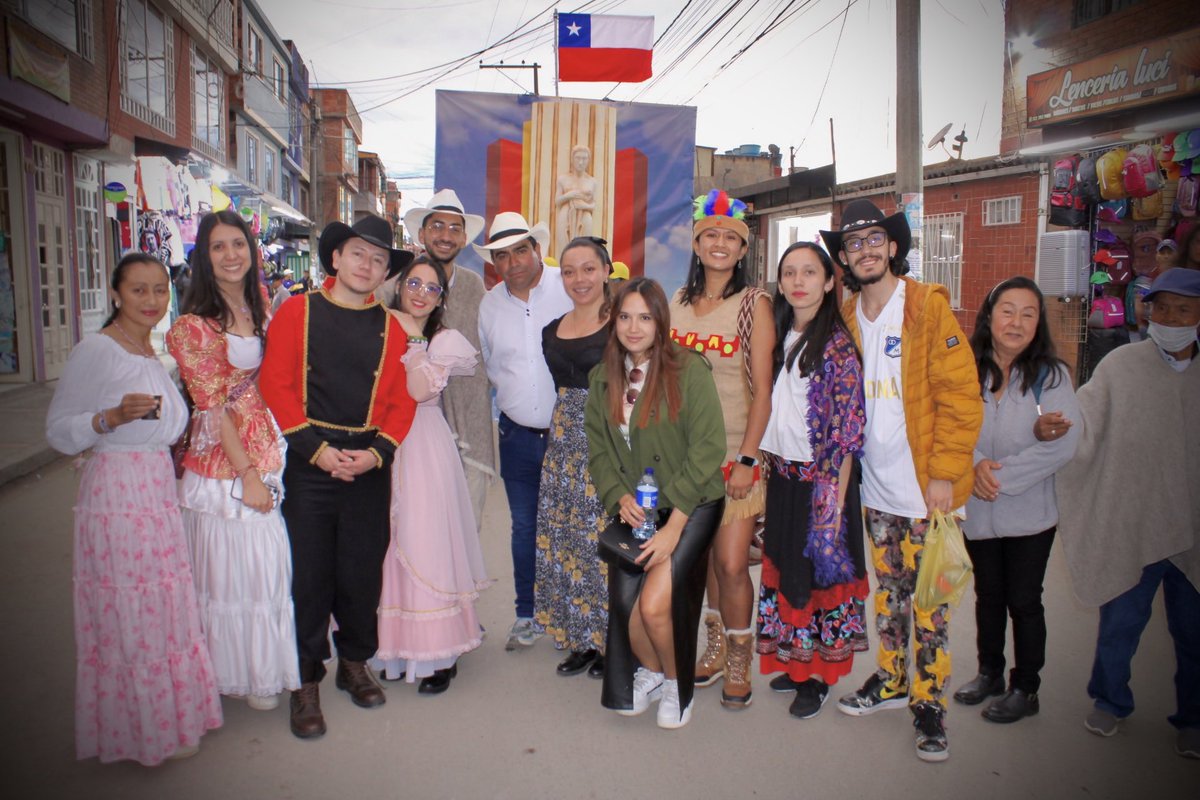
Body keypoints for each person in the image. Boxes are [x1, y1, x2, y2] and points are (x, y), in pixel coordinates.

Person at [821, 198, 982, 762]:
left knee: (930, 604)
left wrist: (944, 475)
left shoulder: (926, 307)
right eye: (851, 243)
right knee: (889, 596)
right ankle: (890, 681)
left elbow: (962, 397)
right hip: (878, 489)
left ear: (892, 247)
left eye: (872, 240)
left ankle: (928, 701)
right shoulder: (844, 316)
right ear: (843, 257)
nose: (863, 251)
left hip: (926, 490)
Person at [46, 253, 222, 765]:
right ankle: (141, 733)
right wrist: (109, 418)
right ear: (117, 294)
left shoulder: (153, 355)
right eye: (139, 290)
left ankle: (170, 719)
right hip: (118, 495)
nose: (151, 301)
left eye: (160, 290)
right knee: (131, 612)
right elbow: (59, 431)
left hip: (156, 492)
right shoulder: (97, 350)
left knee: (163, 608)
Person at [259, 214, 417, 739]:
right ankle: (305, 679)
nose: (367, 265)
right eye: (357, 254)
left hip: (368, 463)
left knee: (360, 570)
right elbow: (276, 386)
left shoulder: (394, 328)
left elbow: (400, 402)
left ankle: (354, 661)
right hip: (311, 462)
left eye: (377, 259)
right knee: (309, 575)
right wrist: (317, 450)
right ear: (334, 258)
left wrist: (376, 455)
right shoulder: (297, 312)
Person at [1055, 268, 1200, 760]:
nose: (1170, 318)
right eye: (1161, 308)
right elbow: (1085, 421)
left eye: (1183, 309)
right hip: (1133, 519)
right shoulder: (1121, 366)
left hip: (1194, 530)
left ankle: (1193, 718)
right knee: (1121, 620)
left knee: (1194, 630)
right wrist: (1056, 433)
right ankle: (1110, 699)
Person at [167, 210, 300, 712]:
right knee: (234, 574)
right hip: (226, 463)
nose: (230, 255)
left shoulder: (260, 305)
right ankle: (232, 674)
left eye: (238, 244)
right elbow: (212, 408)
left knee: (264, 572)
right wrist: (247, 475)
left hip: (268, 445)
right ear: (205, 256)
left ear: (251, 249)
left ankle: (259, 671)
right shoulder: (192, 326)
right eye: (218, 246)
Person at [585, 277, 726, 729]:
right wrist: (617, 495)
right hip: (638, 506)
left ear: (660, 321)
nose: (633, 327)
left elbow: (709, 448)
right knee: (627, 610)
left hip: (692, 503)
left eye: (645, 317)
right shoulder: (602, 376)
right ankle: (654, 672)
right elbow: (598, 449)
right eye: (624, 316)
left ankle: (676, 685)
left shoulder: (689, 370)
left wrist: (674, 527)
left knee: (653, 606)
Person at [955, 277, 1080, 724]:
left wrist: (997, 479)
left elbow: (1064, 445)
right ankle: (988, 671)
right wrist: (973, 466)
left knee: (1025, 600)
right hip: (978, 510)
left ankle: (1026, 687)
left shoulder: (1052, 375)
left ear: (1038, 324)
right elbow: (948, 423)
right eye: (1008, 310)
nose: (1017, 322)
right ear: (989, 316)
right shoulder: (965, 368)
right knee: (988, 595)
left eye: (1029, 314)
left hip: (1029, 514)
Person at [669, 189, 775, 709]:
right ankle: (714, 645)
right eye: (709, 234)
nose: (718, 244)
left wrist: (750, 460)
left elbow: (763, 391)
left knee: (733, 563)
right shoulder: (676, 303)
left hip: (735, 457)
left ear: (741, 248)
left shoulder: (755, 305)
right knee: (706, 561)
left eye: (728, 238)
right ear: (696, 243)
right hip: (685, 460)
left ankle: (739, 656)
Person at [755, 242, 868, 720]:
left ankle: (817, 679)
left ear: (828, 281)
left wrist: (832, 507)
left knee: (816, 581)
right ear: (780, 283)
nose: (798, 281)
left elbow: (845, 434)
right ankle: (795, 662)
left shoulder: (837, 347)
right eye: (788, 273)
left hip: (821, 486)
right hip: (783, 480)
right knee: (788, 575)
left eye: (809, 272)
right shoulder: (782, 335)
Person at [373, 256, 491, 694]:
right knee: (387, 543)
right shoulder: (378, 328)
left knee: (426, 541)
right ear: (400, 286)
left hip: (423, 443)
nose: (421, 293)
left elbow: (419, 391)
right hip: (381, 446)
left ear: (442, 297)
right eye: (414, 284)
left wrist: (413, 337)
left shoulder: (442, 341)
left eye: (432, 288)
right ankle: (396, 646)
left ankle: (440, 651)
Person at [476, 212, 573, 650]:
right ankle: (526, 614)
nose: (513, 261)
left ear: (537, 249)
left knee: (571, 526)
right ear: (493, 262)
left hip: (571, 435)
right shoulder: (490, 304)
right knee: (524, 527)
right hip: (516, 436)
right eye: (502, 254)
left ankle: (571, 615)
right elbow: (489, 364)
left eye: (520, 249)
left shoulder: (567, 286)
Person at [534, 236, 613, 678]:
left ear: (605, 270)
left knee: (602, 540)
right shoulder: (552, 328)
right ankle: (579, 636)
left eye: (588, 268)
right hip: (562, 443)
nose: (579, 279)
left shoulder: (621, 323)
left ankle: (609, 641)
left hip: (606, 440)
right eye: (569, 271)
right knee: (566, 538)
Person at [402, 189, 495, 531]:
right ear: (422, 234)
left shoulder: (475, 288)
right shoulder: (395, 289)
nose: (446, 235)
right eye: (437, 226)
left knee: (465, 533)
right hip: (412, 436)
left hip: (470, 432)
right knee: (419, 534)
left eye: (455, 228)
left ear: (464, 237)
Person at [555, 145, 597, 243]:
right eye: (577, 158)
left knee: (585, 244)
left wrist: (584, 206)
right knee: (564, 245)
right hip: (566, 214)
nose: (581, 162)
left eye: (584, 158)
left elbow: (594, 205)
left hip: (585, 216)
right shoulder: (563, 179)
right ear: (572, 159)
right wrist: (568, 195)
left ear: (588, 160)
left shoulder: (592, 182)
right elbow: (557, 201)